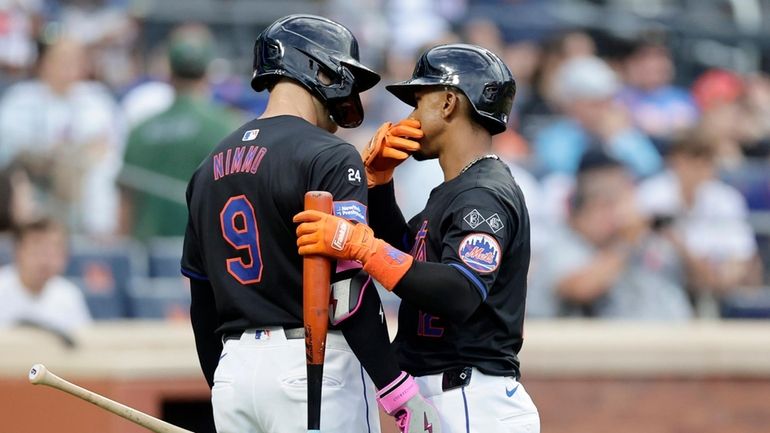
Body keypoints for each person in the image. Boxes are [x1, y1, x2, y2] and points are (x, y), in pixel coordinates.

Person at [180, 14, 439, 433]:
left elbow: (202, 302)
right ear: (317, 68)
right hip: (313, 366)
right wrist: (394, 385)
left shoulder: (208, 167)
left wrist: (226, 384)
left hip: (233, 370)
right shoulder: (330, 155)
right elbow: (347, 290)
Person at [294, 43, 540, 432]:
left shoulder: (484, 193)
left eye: (418, 102)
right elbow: (412, 258)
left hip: (470, 398)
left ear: (447, 103)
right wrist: (377, 186)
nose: (410, 117)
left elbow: (458, 291)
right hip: (449, 395)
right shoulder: (457, 188)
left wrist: (363, 247)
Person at [526, 150, 692, 320]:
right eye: (602, 208)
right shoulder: (562, 243)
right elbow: (581, 288)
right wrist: (627, 240)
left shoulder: (609, 247)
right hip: (549, 341)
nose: (612, 218)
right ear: (578, 214)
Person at [119, 24, 239, 242]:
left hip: (146, 253)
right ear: (207, 72)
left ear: (169, 72)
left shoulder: (139, 130)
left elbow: (125, 207)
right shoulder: (225, 126)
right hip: (201, 254)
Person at [636, 129, 761, 316]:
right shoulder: (650, 195)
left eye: (705, 160)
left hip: (713, 288)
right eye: (691, 159)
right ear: (675, 160)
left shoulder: (725, 199)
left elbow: (739, 259)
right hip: (654, 286)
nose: (698, 168)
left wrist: (705, 268)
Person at [0, 217, 92, 335]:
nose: (45, 260)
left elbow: (85, 342)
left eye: (53, 252)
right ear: (18, 251)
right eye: (37, 251)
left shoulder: (69, 295)